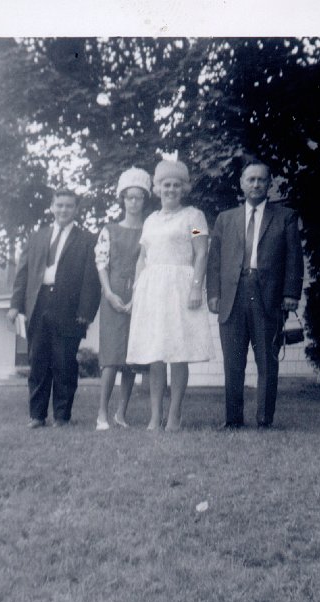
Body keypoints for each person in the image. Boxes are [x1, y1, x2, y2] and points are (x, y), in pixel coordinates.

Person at [207, 158, 303, 428]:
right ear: (241, 183)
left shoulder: (286, 217)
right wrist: (213, 294)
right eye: (251, 179)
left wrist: (290, 293)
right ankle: (233, 420)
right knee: (233, 364)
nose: (256, 184)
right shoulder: (224, 220)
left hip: (268, 296)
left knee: (267, 362)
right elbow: (214, 259)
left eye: (262, 179)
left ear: (269, 184)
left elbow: (294, 257)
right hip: (233, 295)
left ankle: (264, 420)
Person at [125, 159, 213, 431]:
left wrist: (197, 286)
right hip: (153, 290)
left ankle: (174, 415)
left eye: (176, 184)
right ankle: (155, 416)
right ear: (158, 188)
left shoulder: (194, 217)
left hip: (180, 287)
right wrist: (139, 288)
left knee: (178, 351)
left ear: (183, 188)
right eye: (166, 184)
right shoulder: (150, 221)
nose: (171, 189)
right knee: (155, 352)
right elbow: (143, 257)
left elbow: (201, 252)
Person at [7, 188, 101, 428]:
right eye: (59, 205)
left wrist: (86, 312)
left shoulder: (87, 239)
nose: (63, 210)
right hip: (38, 304)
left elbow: (91, 279)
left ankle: (62, 416)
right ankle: (37, 416)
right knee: (37, 361)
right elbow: (23, 273)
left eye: (69, 206)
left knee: (64, 363)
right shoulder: (37, 237)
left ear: (76, 209)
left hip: (69, 308)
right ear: (52, 206)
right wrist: (15, 305)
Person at [94, 167, 152, 431]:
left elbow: (195, 233)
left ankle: (121, 413)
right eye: (129, 197)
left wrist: (139, 296)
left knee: (132, 357)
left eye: (139, 197)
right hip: (114, 295)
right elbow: (101, 263)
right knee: (111, 357)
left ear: (145, 199)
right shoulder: (109, 230)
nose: (134, 202)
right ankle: (102, 414)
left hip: (142, 293)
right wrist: (108, 292)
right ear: (122, 199)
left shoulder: (151, 228)